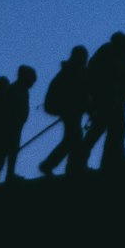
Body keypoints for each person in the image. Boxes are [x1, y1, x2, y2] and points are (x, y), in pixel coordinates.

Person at [83, 30, 125, 170]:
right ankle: (83, 161)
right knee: (102, 129)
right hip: (107, 98)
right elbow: (103, 73)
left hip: (117, 100)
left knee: (115, 129)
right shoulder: (114, 52)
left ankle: (109, 161)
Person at [39, 45, 90, 177]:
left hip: (70, 108)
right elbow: (76, 91)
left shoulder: (72, 70)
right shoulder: (73, 72)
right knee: (74, 138)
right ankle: (56, 166)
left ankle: (70, 166)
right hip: (68, 108)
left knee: (72, 138)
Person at [1, 65, 37, 182]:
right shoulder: (14, 90)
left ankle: (9, 173)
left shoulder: (23, 91)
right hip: (10, 125)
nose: (32, 84)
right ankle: (3, 174)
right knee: (6, 150)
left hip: (17, 125)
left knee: (13, 149)